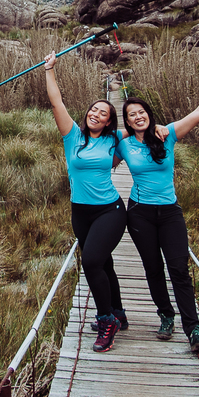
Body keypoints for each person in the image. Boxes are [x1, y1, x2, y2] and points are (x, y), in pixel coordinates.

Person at [117, 71, 199, 352]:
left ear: (149, 114)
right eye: (131, 115)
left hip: (170, 212)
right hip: (139, 214)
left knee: (179, 269)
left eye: (141, 112)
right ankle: (165, 315)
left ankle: (193, 330)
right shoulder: (124, 144)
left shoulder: (168, 135)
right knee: (153, 268)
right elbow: (100, 153)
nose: (138, 117)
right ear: (127, 121)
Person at [42, 50, 126, 353]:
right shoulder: (72, 137)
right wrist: (50, 69)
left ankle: (106, 321)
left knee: (91, 262)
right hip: (80, 212)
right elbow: (57, 102)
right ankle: (119, 312)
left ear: (109, 121)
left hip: (110, 210)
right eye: (94, 110)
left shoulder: (115, 140)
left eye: (104, 113)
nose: (96, 114)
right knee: (104, 262)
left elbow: (140, 130)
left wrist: (153, 127)